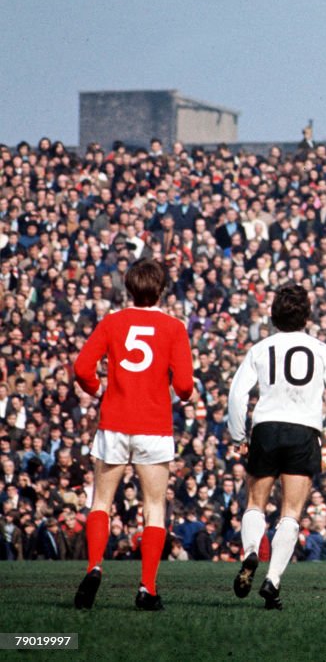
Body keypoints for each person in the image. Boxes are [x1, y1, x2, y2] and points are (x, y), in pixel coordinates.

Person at [72, 259, 194, 611]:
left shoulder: (113, 322)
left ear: (129, 288)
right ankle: (147, 588)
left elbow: (82, 368)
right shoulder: (174, 327)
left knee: (101, 503)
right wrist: (182, 394)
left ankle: (94, 566)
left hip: (114, 421)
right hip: (154, 426)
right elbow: (185, 385)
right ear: (162, 289)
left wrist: (98, 392)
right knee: (154, 508)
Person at [227, 282, 326, 609]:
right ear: (307, 316)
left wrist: (238, 435)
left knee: (255, 503)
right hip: (303, 432)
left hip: (267, 428)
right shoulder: (321, 350)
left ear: (273, 315)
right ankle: (272, 581)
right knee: (291, 513)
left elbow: (237, 394)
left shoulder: (260, 348)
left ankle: (251, 552)